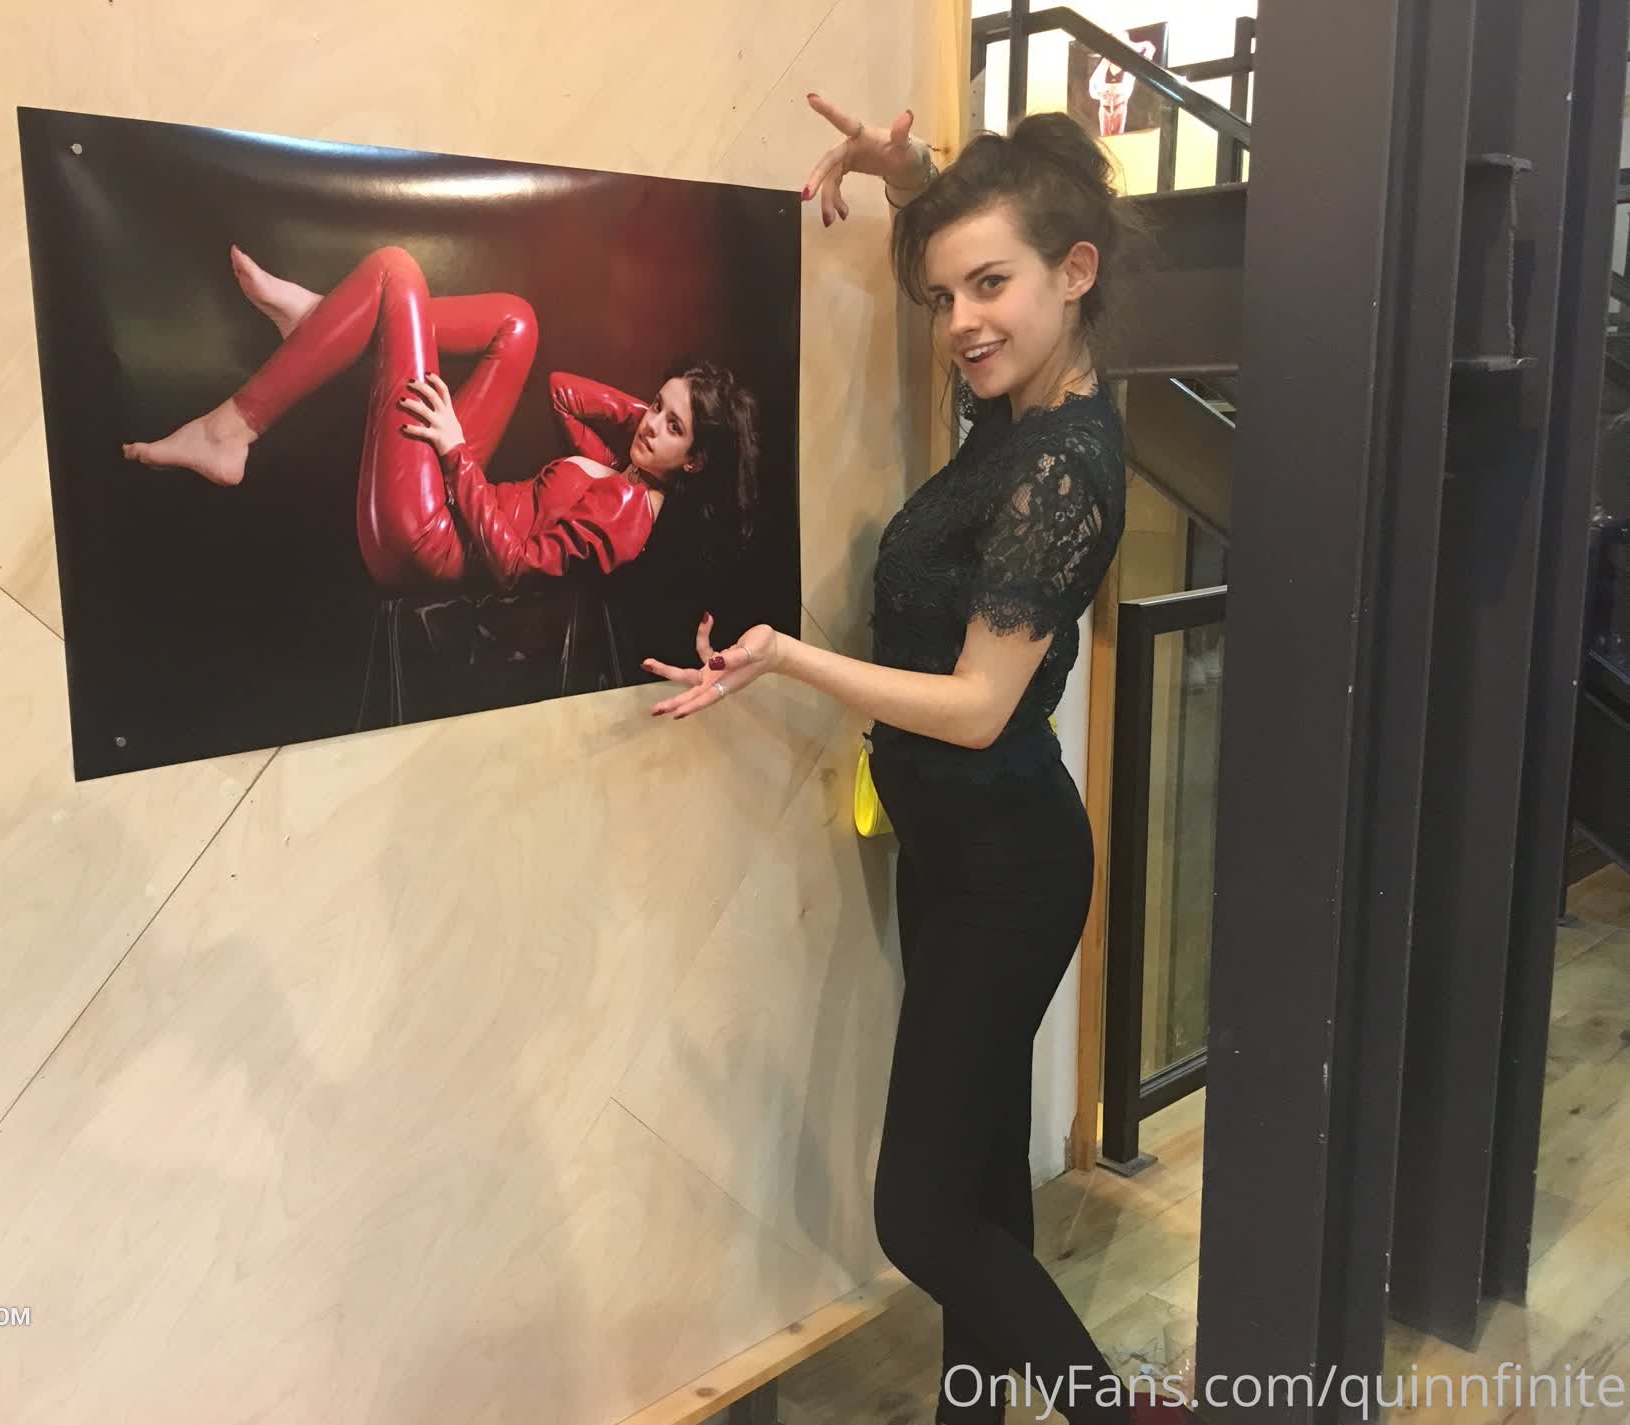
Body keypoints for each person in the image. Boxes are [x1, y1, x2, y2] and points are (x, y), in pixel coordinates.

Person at [641, 98, 1198, 1425]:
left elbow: (976, 707)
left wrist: (791, 658)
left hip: (1010, 865)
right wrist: (910, 175)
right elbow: (986, 245)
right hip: (959, 854)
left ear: (1078, 272)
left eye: (990, 287)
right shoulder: (1010, 409)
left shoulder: (1063, 465)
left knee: (920, 1216)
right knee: (983, 1179)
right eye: (945, 295)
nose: (960, 322)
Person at [123, 244, 759, 592]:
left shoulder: (626, 514)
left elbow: (515, 567)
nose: (651, 425)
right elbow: (563, 392)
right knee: (518, 322)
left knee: (395, 269)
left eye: (674, 429)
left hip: (432, 541)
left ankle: (230, 430)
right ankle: (332, 322)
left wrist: (455, 452)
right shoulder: (623, 473)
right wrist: (657, 421)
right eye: (657, 406)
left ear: (696, 461)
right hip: (453, 504)